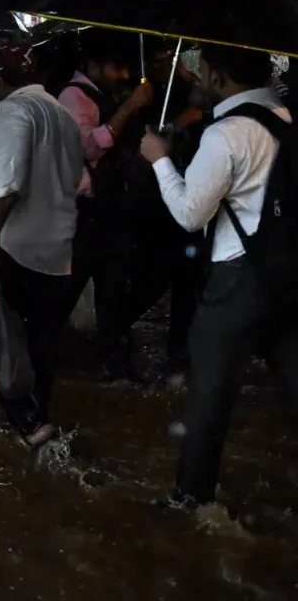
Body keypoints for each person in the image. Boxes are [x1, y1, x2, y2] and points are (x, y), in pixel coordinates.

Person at [139, 43, 298, 508]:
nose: (198, 73)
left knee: (209, 400)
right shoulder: (282, 116)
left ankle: (189, 504)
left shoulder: (226, 133)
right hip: (285, 277)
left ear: (219, 75)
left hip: (236, 283)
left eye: (203, 66)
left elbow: (191, 214)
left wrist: (159, 159)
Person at [0, 44, 84, 450]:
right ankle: (40, 419)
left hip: (10, 246)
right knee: (39, 340)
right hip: (54, 247)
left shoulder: (14, 112)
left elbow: (11, 175)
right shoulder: (63, 116)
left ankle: (28, 423)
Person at [57, 34, 156, 381]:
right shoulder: (73, 97)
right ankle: (45, 354)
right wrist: (128, 109)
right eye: (116, 67)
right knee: (69, 286)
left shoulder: (105, 95)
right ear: (94, 66)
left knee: (114, 288)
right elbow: (89, 148)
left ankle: (114, 362)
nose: (123, 74)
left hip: (111, 208)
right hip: (85, 211)